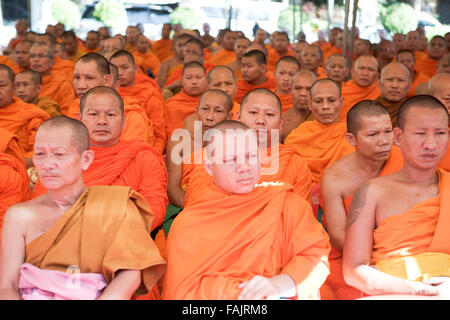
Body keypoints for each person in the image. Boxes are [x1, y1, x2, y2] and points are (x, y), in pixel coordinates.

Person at [0, 115, 166, 300]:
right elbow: (8, 286)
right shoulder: (20, 216)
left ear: (86, 159)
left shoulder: (115, 207)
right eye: (40, 154)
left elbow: (129, 273)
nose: (47, 164)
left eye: (59, 154)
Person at [162, 120, 330, 300]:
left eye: (250, 156)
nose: (244, 167)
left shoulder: (285, 202)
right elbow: (182, 293)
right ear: (209, 166)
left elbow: (315, 254)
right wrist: (245, 295)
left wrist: (280, 284)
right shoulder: (190, 224)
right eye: (231, 160)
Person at [343, 95, 450, 299]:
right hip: (389, 290)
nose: (430, 144)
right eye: (420, 133)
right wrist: (411, 289)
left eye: (440, 133)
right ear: (398, 137)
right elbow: (353, 271)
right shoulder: (372, 191)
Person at [32, 87, 168, 233]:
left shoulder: (142, 156)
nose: (102, 121)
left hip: (123, 238)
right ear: (80, 119)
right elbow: (42, 207)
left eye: (110, 114)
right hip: (65, 238)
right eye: (93, 114)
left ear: (123, 121)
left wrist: (108, 233)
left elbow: (154, 208)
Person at [320, 100, 403, 299]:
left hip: (401, 247)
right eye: (373, 134)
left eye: (387, 131)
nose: (384, 141)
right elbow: (339, 237)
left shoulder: (406, 161)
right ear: (351, 139)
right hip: (354, 256)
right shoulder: (335, 178)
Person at [166, 89, 233, 209]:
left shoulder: (235, 146)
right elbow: (173, 188)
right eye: (205, 109)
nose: (210, 117)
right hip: (186, 204)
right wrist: (195, 211)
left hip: (221, 207)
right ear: (197, 111)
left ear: (229, 117)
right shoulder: (179, 141)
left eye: (218, 111)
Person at [67, 53, 154, 145]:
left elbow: (129, 154)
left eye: (89, 78)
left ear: (106, 80)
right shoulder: (75, 106)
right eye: (77, 78)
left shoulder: (130, 114)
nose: (81, 86)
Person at [284, 78, 354, 184]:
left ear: (341, 102)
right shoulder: (297, 136)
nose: (325, 106)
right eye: (318, 101)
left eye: (331, 100)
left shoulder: (350, 136)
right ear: (310, 104)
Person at [110, 50, 166, 153]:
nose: (120, 72)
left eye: (125, 67)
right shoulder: (107, 95)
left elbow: (160, 135)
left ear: (135, 69)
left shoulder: (149, 95)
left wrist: (151, 156)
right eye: (115, 69)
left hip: (144, 149)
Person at [0, 64, 50, 167]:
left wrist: (21, 164)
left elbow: (42, 148)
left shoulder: (30, 114)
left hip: (17, 169)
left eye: (1, 85)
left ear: (14, 88)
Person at [29, 42, 77, 115]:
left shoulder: (62, 85)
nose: (36, 59)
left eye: (41, 56)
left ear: (52, 61)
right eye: (32, 56)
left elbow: (67, 114)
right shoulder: (22, 83)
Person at [164, 61, 208, 139]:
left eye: (198, 77)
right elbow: (172, 136)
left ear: (206, 80)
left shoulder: (214, 102)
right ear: (181, 81)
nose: (194, 82)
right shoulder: (172, 105)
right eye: (189, 78)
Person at [339, 55, 380, 122]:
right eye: (361, 68)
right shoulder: (340, 93)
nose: (365, 73)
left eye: (370, 69)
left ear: (377, 75)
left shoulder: (381, 93)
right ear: (352, 72)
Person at [280, 70, 316, 143]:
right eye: (298, 88)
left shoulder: (323, 120)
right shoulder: (279, 122)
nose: (303, 93)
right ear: (290, 90)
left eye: (309, 89)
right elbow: (272, 152)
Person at [375, 62, 411, 127]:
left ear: (409, 86)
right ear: (379, 84)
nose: (394, 85)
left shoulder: (413, 112)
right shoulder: (368, 110)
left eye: (400, 80)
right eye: (389, 80)